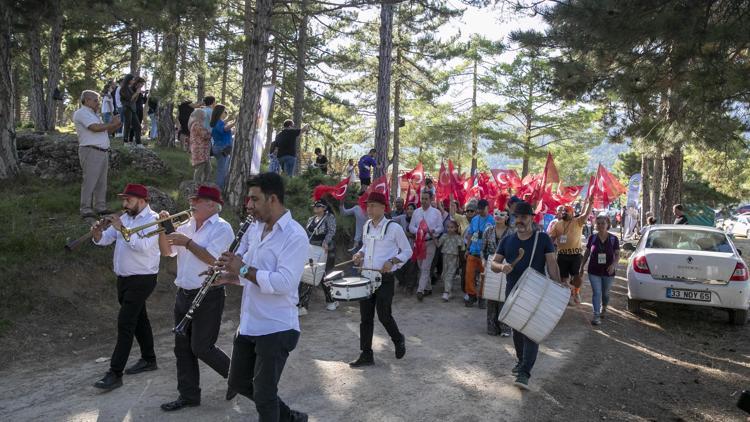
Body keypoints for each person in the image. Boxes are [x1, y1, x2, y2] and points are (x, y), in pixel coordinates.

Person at [213, 172, 309, 422]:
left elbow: (284, 283)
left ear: (273, 199)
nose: (249, 206)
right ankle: (291, 418)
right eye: (249, 200)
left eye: (254, 200)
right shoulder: (253, 228)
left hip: (276, 326)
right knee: (238, 381)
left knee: (265, 396)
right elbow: (247, 269)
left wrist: (241, 269)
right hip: (250, 323)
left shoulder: (295, 236)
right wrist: (230, 276)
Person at [157, 185, 235, 412]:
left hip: (209, 294)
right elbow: (166, 252)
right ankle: (188, 396)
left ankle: (238, 378)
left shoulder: (223, 228)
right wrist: (163, 229)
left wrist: (188, 243)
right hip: (183, 293)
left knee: (202, 347)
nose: (191, 203)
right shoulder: (186, 225)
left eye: (196, 200)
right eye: (192, 199)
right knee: (182, 349)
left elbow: (214, 260)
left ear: (211, 204)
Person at [91, 183, 160, 391]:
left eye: (128, 200)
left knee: (126, 323)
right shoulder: (127, 218)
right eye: (123, 199)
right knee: (140, 319)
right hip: (123, 279)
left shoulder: (154, 220)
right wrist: (96, 234)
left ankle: (115, 373)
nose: (124, 203)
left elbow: (143, 246)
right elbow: (105, 240)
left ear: (142, 201)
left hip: (143, 278)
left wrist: (121, 227)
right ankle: (149, 359)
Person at [490, 201, 562, 390]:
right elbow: (493, 265)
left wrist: (559, 287)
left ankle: (525, 372)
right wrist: (501, 267)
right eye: (517, 217)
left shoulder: (543, 239)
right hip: (512, 291)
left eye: (523, 217)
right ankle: (522, 362)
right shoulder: (507, 240)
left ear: (531, 218)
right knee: (517, 330)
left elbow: (552, 265)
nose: (519, 220)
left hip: (535, 292)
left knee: (531, 332)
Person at [349, 191, 411, 367]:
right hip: (366, 277)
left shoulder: (394, 228)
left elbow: (407, 251)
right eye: (368, 205)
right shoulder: (367, 225)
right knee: (365, 318)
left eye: (373, 205)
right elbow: (365, 247)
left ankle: (398, 339)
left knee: (384, 315)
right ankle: (366, 354)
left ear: (383, 207)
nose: (369, 208)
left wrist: (392, 262)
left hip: (385, 278)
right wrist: (359, 255)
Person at [73, 90, 121, 219]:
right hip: (90, 150)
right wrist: (110, 124)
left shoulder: (94, 114)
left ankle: (100, 207)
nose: (98, 103)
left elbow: (105, 131)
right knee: (90, 180)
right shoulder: (81, 113)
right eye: (95, 100)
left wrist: (115, 125)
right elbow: (94, 128)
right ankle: (85, 208)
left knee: (101, 181)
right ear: (87, 100)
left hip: (102, 151)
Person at [549, 197, 594, 305]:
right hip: (562, 255)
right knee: (564, 278)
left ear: (572, 213)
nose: (564, 213)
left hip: (576, 255)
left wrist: (590, 203)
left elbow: (586, 214)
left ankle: (576, 292)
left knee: (577, 276)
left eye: (567, 211)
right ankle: (567, 295)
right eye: (563, 211)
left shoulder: (577, 221)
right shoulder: (557, 224)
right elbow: (551, 239)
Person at [299, 200, 338, 314]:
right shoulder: (311, 219)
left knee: (325, 275)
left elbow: (331, 231)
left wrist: (326, 242)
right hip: (311, 249)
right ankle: (303, 305)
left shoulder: (329, 217)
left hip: (325, 250)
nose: (315, 208)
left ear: (324, 207)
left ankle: (331, 301)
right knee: (309, 274)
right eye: (314, 206)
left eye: (318, 206)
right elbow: (307, 234)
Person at [580, 214, 619, 326]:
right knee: (597, 292)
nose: (601, 225)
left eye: (603, 223)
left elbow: (617, 255)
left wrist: (613, 265)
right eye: (598, 223)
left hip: (608, 271)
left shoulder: (613, 239)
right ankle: (596, 315)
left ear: (607, 224)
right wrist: (582, 266)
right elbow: (587, 252)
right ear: (595, 225)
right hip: (594, 270)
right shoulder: (592, 238)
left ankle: (604, 307)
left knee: (605, 293)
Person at [482, 208, 514, 336]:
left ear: (507, 217)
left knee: (504, 296)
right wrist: (483, 262)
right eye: (496, 213)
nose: (498, 216)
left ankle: (505, 328)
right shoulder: (488, 230)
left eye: (502, 214)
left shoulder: (512, 232)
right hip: (491, 265)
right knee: (491, 296)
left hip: (506, 266)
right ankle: (492, 327)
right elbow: (482, 249)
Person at [408, 190, 443, 301]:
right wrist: (418, 230)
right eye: (422, 199)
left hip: (430, 242)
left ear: (431, 199)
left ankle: (420, 290)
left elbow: (441, 228)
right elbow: (411, 227)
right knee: (420, 265)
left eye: (426, 199)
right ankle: (428, 288)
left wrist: (432, 231)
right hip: (418, 242)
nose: (423, 201)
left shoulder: (436, 212)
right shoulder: (416, 212)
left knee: (425, 267)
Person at [464, 199, 493, 307]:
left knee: (484, 277)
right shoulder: (474, 219)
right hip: (473, 251)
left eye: (482, 209)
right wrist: (467, 249)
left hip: (485, 254)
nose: (480, 211)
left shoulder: (492, 220)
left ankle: (482, 297)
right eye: (479, 209)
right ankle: (471, 295)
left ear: (487, 208)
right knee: (469, 275)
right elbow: (470, 234)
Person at [437, 220, 464, 301]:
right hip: (445, 256)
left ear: (456, 228)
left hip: (454, 258)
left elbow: (461, 249)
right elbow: (438, 244)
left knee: (449, 275)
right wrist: (432, 236)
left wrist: (460, 261)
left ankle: (446, 292)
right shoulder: (444, 236)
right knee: (444, 275)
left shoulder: (458, 238)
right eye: (448, 227)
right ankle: (449, 291)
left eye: (452, 227)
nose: (449, 229)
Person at [210, 104, 235, 190]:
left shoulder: (217, 122)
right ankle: (218, 189)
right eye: (225, 111)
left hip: (221, 148)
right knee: (222, 170)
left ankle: (220, 188)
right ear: (220, 112)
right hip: (222, 148)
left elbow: (227, 129)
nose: (226, 113)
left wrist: (231, 120)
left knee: (223, 169)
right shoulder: (218, 122)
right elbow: (224, 129)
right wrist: (235, 122)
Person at [120, 75, 145, 146]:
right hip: (127, 108)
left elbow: (134, 100)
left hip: (132, 109)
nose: (134, 81)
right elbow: (129, 99)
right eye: (132, 80)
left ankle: (139, 143)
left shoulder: (129, 88)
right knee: (127, 126)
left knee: (138, 126)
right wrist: (137, 92)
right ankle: (126, 142)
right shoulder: (123, 89)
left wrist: (137, 93)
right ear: (128, 80)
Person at [188, 108, 211, 183]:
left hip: (203, 150)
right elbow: (205, 135)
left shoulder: (197, 124)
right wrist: (210, 133)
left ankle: (203, 184)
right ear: (200, 116)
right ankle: (196, 185)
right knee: (200, 168)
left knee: (208, 168)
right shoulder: (196, 124)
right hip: (199, 149)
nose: (204, 117)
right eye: (203, 115)